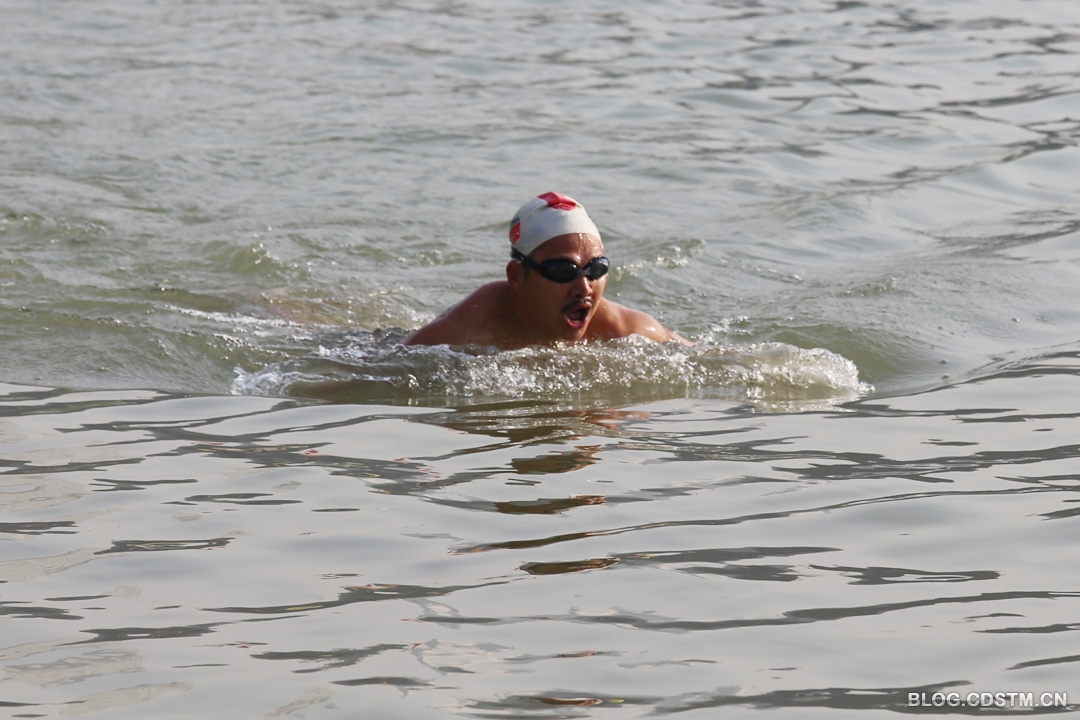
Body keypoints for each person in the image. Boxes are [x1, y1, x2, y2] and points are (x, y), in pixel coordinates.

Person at [404, 192, 688, 348]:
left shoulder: (626, 331)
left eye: (595, 269)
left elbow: (705, 358)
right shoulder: (467, 329)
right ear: (517, 277)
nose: (584, 287)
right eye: (563, 270)